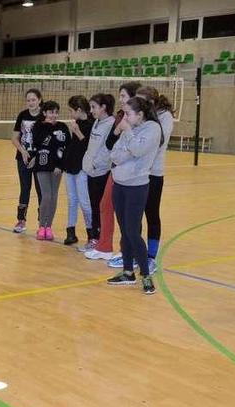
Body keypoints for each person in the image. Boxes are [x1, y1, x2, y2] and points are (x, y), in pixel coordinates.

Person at [108, 85, 174, 274]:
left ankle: (150, 257)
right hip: (129, 175)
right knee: (131, 221)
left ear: (148, 105)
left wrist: (130, 145)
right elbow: (120, 150)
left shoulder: (161, 121)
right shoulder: (136, 122)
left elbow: (144, 148)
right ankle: (131, 254)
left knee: (151, 214)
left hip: (152, 173)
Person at [106, 96, 163, 295]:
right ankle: (128, 272)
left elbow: (138, 150)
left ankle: (146, 275)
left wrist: (128, 134)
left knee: (132, 231)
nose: (125, 118)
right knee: (124, 230)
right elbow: (114, 154)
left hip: (137, 186)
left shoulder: (152, 129)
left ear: (140, 114)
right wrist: (128, 150)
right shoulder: (130, 130)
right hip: (119, 184)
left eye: (128, 114)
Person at [85, 82, 141, 261]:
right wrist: (119, 129)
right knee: (105, 206)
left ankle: (129, 254)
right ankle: (104, 247)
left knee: (128, 214)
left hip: (132, 174)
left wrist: (125, 131)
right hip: (116, 169)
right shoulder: (120, 117)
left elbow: (135, 148)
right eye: (120, 96)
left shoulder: (141, 120)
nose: (121, 100)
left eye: (124, 96)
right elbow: (111, 144)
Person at [27, 100, 71, 240]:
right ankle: (41, 226)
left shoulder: (63, 126)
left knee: (54, 197)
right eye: (51, 112)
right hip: (42, 164)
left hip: (57, 167)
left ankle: (49, 226)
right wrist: (51, 131)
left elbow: (66, 146)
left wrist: (61, 165)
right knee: (46, 196)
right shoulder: (38, 126)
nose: (54, 115)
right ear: (45, 112)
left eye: (56, 112)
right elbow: (39, 142)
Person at [81, 93, 116, 257]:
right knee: (94, 205)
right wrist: (88, 163)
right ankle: (95, 238)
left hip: (101, 171)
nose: (91, 110)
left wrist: (96, 164)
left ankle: (102, 240)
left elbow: (107, 150)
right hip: (91, 171)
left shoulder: (111, 124)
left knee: (101, 206)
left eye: (94, 107)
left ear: (104, 107)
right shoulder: (96, 122)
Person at [61, 95, 95, 246]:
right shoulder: (77, 123)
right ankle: (70, 231)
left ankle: (91, 234)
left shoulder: (92, 124)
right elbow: (73, 145)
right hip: (70, 166)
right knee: (72, 200)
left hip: (82, 168)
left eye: (71, 110)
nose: (70, 114)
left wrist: (78, 132)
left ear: (79, 110)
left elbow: (90, 147)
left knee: (84, 201)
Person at [10, 89, 44, 233]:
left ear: (39, 100)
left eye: (33, 100)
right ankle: (21, 221)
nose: (31, 103)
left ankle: (42, 223)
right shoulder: (22, 115)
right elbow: (14, 138)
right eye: (28, 100)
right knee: (25, 188)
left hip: (40, 159)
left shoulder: (44, 116)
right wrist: (23, 152)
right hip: (23, 157)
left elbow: (46, 140)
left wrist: (36, 157)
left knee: (41, 190)